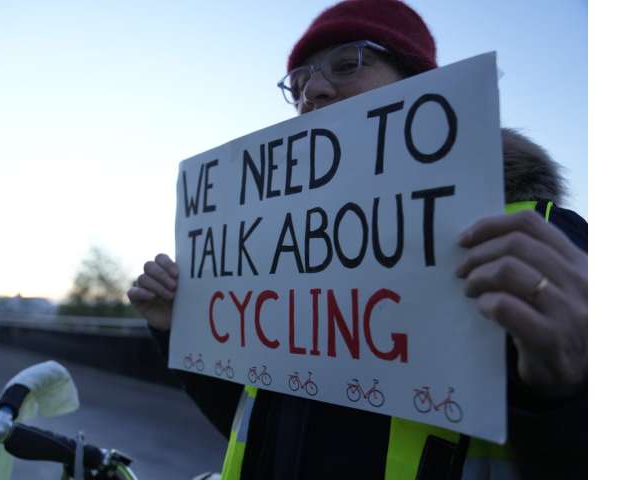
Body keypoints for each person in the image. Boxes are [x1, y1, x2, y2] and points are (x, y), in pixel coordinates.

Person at [128, 1, 587, 478]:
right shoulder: (277, 253)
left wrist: (572, 390)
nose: (313, 93)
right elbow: (259, 433)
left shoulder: (543, 241)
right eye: (299, 85)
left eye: (348, 65)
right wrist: (177, 330)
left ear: (423, 86)